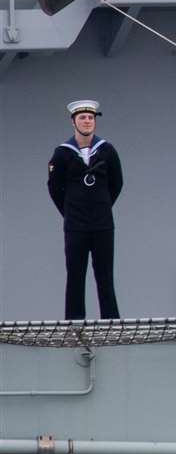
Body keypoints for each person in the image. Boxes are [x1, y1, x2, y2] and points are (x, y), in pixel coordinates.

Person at [47, 99, 122, 320]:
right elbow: (54, 188)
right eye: (82, 118)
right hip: (75, 226)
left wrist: (102, 206)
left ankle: (111, 322)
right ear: (73, 122)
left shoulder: (107, 150)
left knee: (105, 276)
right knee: (75, 276)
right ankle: (74, 322)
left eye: (90, 118)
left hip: (102, 225)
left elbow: (117, 183)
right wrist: (70, 211)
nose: (87, 121)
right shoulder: (62, 153)